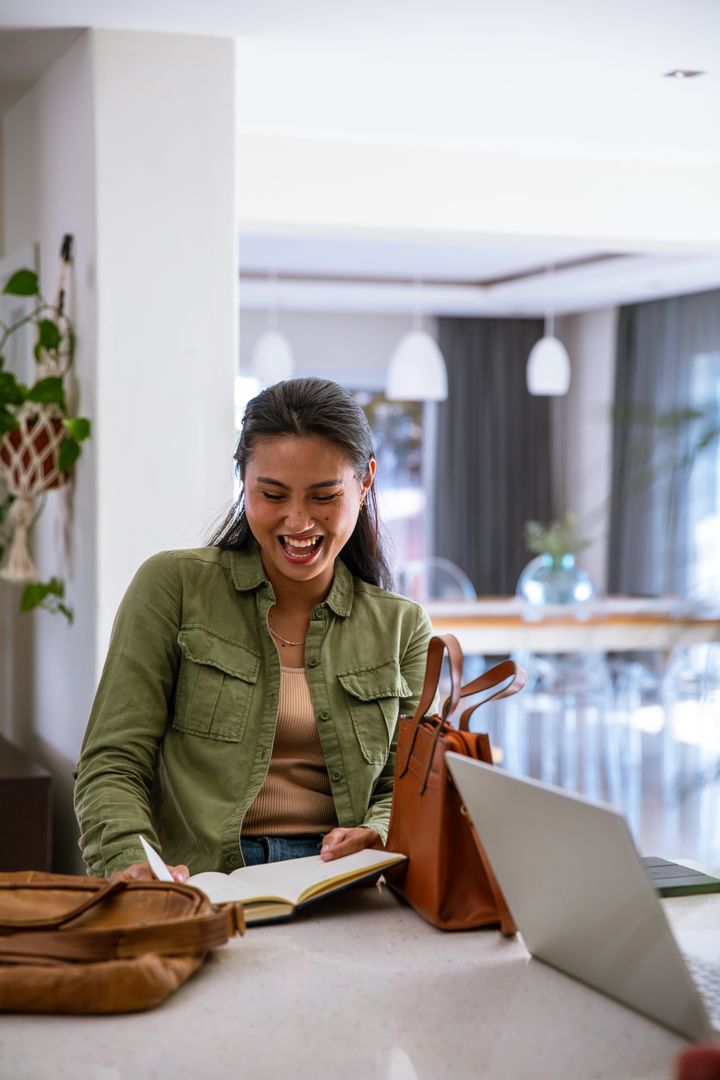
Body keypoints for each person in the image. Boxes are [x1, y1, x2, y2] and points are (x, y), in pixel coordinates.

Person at [74, 377, 433, 883]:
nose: (298, 520)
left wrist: (378, 828)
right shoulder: (173, 587)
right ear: (244, 480)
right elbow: (111, 763)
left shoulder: (403, 626)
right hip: (202, 885)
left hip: (342, 888)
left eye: (324, 495)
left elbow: (409, 785)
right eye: (273, 494)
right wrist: (132, 865)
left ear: (366, 481)